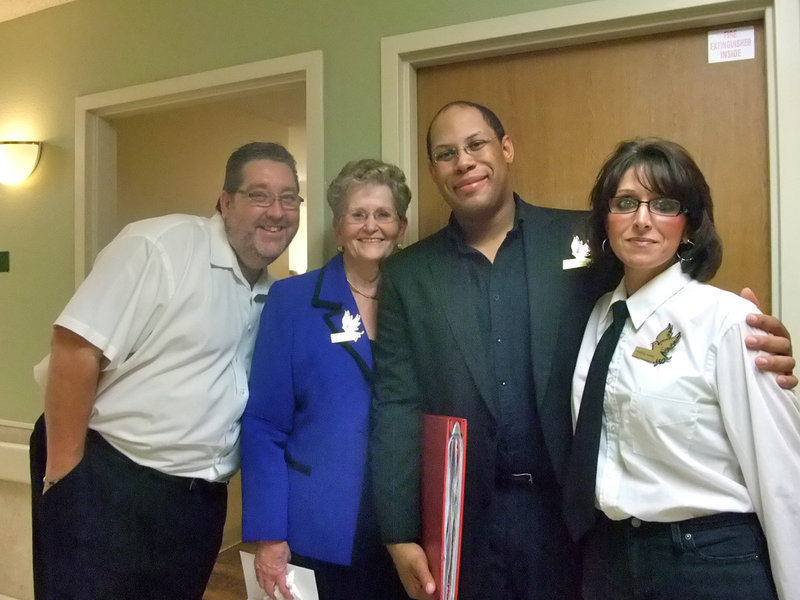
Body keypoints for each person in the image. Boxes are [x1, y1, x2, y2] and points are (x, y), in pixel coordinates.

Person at [369, 101, 797, 600]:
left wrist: (750, 340)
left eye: (476, 144)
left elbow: (667, 296)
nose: (463, 161)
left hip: (572, 526)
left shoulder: (586, 242)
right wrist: (400, 532)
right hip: (468, 523)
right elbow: (396, 405)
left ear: (506, 149)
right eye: (446, 153)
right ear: (433, 170)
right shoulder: (409, 275)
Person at [29, 142, 302, 600]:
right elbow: (74, 349)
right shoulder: (160, 246)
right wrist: (66, 478)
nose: (276, 211)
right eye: (259, 195)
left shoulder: (274, 296)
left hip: (198, 504)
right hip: (108, 480)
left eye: (290, 197)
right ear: (226, 201)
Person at [568, 137, 800, 600]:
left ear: (689, 224)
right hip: (611, 559)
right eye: (626, 203)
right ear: (606, 221)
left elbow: (783, 478)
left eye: (664, 204)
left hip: (709, 563)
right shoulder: (599, 317)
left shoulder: (728, 322)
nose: (642, 220)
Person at [241, 159, 411, 600]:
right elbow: (264, 425)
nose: (371, 226)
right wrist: (269, 535)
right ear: (338, 228)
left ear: (402, 226)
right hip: (319, 523)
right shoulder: (294, 301)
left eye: (383, 214)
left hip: (406, 525)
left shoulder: (421, 298)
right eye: (357, 214)